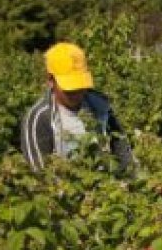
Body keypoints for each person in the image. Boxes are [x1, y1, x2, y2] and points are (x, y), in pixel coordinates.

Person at [20, 42, 134, 172]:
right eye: (69, 89)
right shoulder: (39, 118)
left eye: (80, 86)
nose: (77, 93)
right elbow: (39, 173)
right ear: (51, 80)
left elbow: (121, 146)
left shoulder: (100, 105)